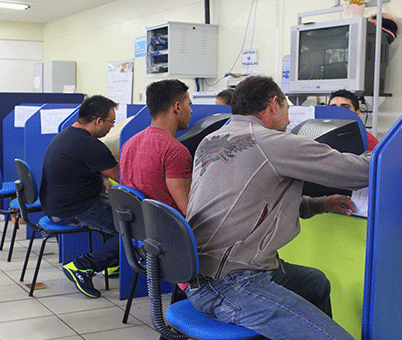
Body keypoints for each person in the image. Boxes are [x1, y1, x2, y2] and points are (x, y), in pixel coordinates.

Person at [185, 76, 370, 340]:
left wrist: (322, 204)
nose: (288, 116)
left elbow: (254, 201)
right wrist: (396, 148)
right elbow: (359, 172)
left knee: (314, 282)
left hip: (199, 278)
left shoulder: (212, 139)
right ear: (274, 104)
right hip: (232, 284)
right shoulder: (273, 142)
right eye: (286, 107)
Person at [39, 95, 120, 299]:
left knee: (119, 215)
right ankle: (83, 266)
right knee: (134, 230)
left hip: (56, 206)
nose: (112, 127)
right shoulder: (90, 145)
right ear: (98, 121)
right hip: (73, 210)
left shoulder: (67, 135)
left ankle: (111, 264)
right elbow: (123, 177)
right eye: (111, 122)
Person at [120, 79, 193, 216]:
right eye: (189, 104)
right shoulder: (175, 151)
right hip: (171, 233)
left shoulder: (129, 144)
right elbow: (189, 211)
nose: (191, 110)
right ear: (177, 107)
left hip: (140, 233)